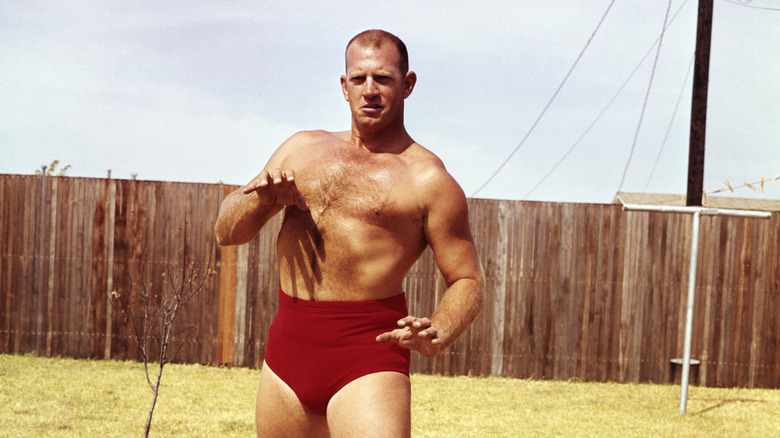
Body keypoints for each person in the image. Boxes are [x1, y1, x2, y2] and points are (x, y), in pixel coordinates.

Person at [214, 29, 484, 438]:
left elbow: (467, 279)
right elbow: (225, 232)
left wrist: (440, 331)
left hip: (368, 357)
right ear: (344, 86)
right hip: (287, 351)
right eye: (359, 79)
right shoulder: (300, 148)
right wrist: (264, 201)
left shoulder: (429, 180)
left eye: (384, 79)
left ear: (407, 84)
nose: (370, 90)